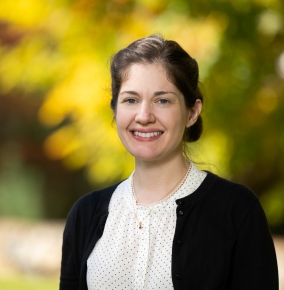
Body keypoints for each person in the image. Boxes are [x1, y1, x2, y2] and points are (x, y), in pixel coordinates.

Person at [60, 35, 278, 290]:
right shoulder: (85, 214)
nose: (144, 116)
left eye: (162, 100)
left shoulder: (237, 210)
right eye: (131, 100)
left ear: (192, 112)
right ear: (115, 110)